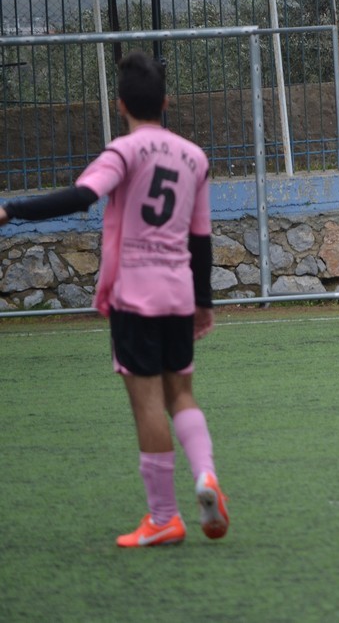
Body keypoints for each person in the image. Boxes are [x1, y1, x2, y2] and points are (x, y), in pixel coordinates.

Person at [0, 50, 229, 546]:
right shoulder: (195, 158)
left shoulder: (123, 152)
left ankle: (164, 518)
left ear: (120, 104)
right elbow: (201, 239)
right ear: (165, 102)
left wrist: (11, 209)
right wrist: (204, 302)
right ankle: (206, 474)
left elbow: (82, 196)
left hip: (135, 295)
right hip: (179, 291)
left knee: (147, 405)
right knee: (181, 394)